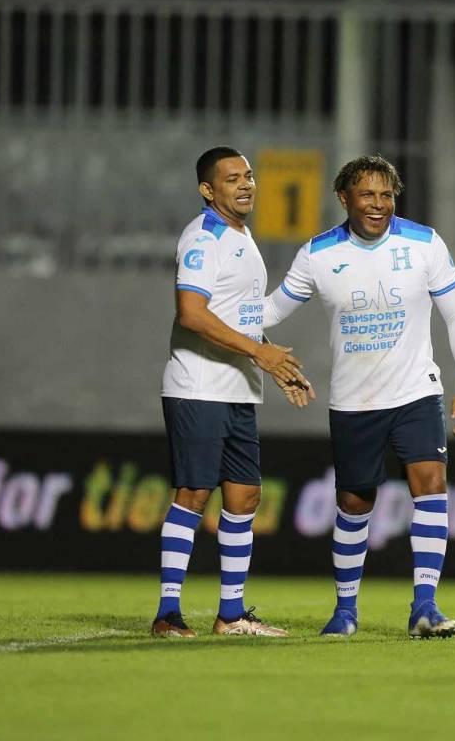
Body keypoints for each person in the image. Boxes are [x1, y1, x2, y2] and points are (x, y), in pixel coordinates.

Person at [263, 154, 455, 638]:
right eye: (368, 194)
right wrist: (222, 321)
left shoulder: (424, 243)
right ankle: (345, 610)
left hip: (415, 390)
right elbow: (271, 311)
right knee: (354, 503)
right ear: (343, 199)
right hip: (354, 401)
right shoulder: (317, 255)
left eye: (387, 194)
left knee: (431, 483)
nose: (379, 204)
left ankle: (424, 605)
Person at [151, 146, 315, 639]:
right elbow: (192, 314)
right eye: (232, 179)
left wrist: (272, 360)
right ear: (208, 189)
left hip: (238, 388)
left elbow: (236, 313)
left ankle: (232, 614)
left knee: (244, 497)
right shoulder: (203, 238)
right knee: (194, 493)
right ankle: (168, 613)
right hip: (198, 385)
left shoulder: (241, 237)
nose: (246, 184)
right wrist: (259, 354)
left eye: (248, 176)